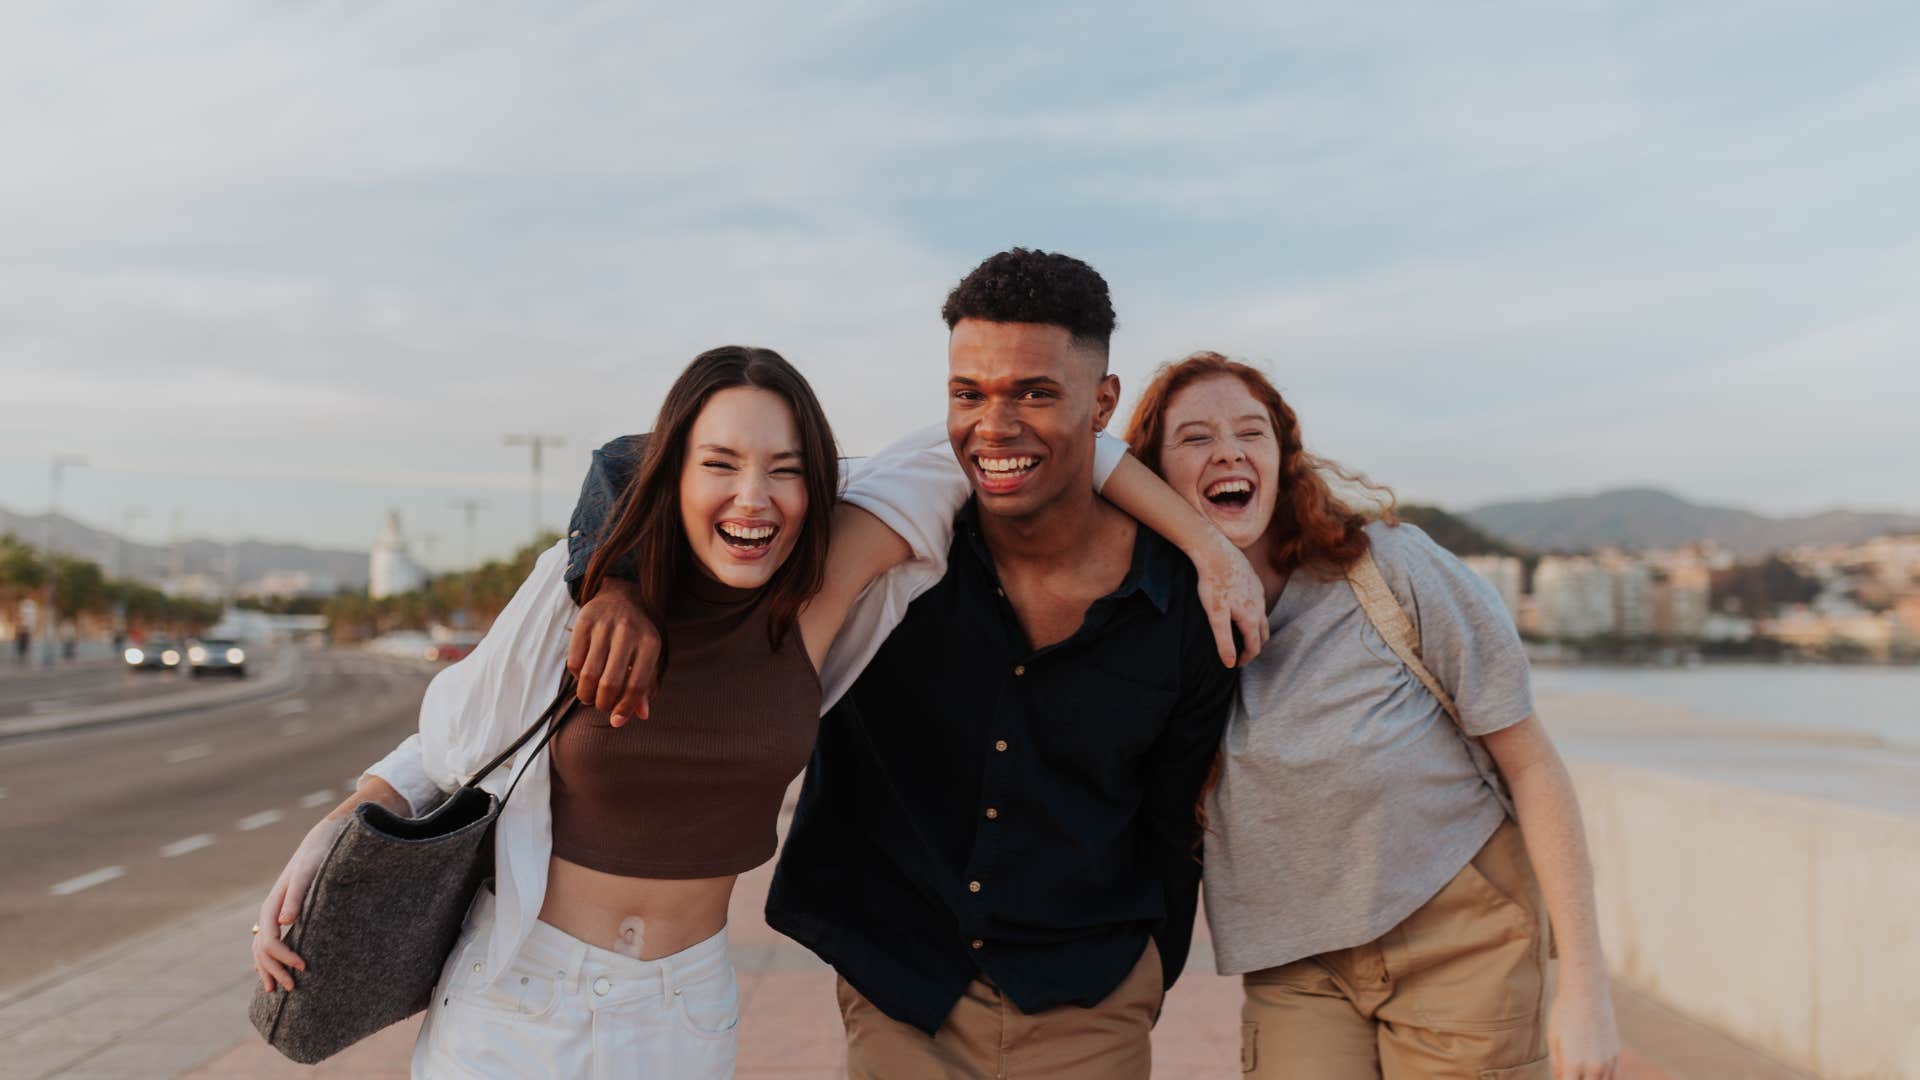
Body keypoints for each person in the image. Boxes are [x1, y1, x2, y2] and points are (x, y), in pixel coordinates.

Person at [252, 338, 1261, 1079]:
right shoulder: (580, 597)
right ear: (667, 475)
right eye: (722, 466)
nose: (755, 498)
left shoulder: (816, 611)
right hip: (520, 1001)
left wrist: (1211, 549)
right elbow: (449, 740)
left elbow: (1009, 441)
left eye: (785, 471)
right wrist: (328, 843)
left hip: (686, 1010)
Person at [568, 249, 1249, 1079]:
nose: (995, 427)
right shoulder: (888, 537)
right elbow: (652, 460)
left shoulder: (1184, 604)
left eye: (1036, 392)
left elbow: (1173, 818)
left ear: (1103, 402)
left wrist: (1140, 969)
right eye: (969, 394)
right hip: (901, 987)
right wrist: (613, 582)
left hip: (1091, 999)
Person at [1121, 351, 1621, 1080]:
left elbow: (1532, 766)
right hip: (1296, 964)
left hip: (1462, 942)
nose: (1228, 449)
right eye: (1194, 437)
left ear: (1283, 458)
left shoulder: (1388, 568)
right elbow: (1089, 453)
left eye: (1251, 432)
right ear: (1154, 478)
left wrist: (1586, 988)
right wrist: (1198, 548)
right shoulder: (1157, 627)